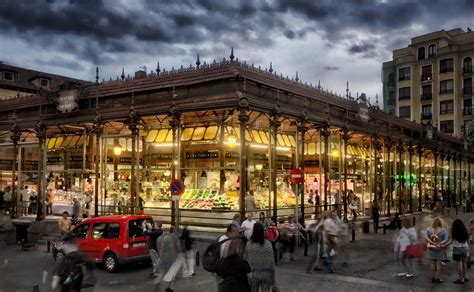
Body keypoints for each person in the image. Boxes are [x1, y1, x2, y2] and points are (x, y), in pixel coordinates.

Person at [244, 222, 275, 292]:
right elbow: (272, 263)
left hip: (253, 274)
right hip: (266, 274)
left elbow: (245, 260)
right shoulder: (268, 244)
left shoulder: (249, 244)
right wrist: (273, 280)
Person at [154, 226, 183, 292]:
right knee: (171, 272)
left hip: (162, 257)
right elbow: (178, 247)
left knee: (162, 272)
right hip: (172, 257)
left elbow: (159, 249)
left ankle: (157, 282)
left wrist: (159, 258)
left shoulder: (159, 238)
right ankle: (169, 288)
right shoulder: (174, 237)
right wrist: (181, 254)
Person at [425, 217, 449, 284]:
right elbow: (446, 239)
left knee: (432, 263)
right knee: (438, 264)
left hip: (431, 248)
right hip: (439, 248)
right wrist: (440, 243)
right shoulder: (443, 230)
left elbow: (426, 237)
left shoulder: (428, 229)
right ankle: (437, 278)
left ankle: (433, 277)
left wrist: (431, 242)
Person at [451, 219, 470, 284]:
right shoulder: (465, 231)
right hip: (465, 247)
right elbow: (468, 240)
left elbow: (451, 241)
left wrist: (443, 244)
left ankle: (461, 279)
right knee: (464, 263)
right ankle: (464, 277)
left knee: (459, 264)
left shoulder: (454, 231)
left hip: (457, 248)